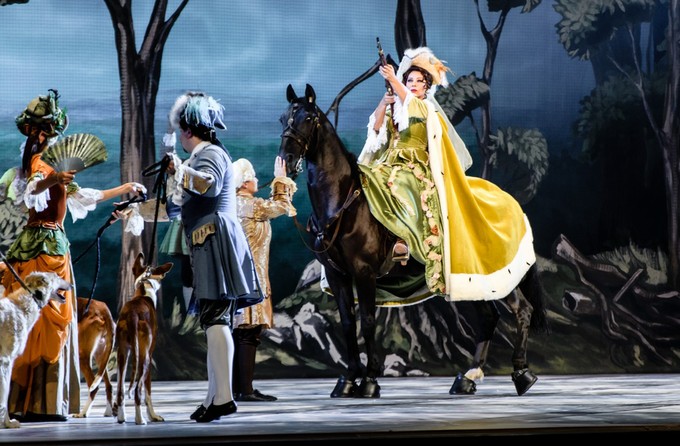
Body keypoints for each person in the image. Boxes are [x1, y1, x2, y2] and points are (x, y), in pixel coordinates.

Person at [2, 89, 146, 422]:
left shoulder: (54, 166)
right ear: (35, 133)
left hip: (55, 245)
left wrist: (125, 189)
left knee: (57, 320)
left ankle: (47, 401)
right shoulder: (36, 165)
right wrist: (52, 178)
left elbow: (85, 197)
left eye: (50, 131)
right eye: (43, 131)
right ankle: (28, 401)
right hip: (38, 249)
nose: (47, 136)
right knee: (32, 321)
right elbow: (30, 191)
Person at [358, 47, 535, 301]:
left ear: (426, 86)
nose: (414, 84)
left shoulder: (424, 109)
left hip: (414, 166)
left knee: (400, 184)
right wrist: (384, 102)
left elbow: (411, 104)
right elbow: (376, 132)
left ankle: (402, 240)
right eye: (410, 80)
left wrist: (394, 80)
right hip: (390, 162)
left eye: (419, 81)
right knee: (366, 181)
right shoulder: (396, 109)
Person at [164, 91, 263, 423]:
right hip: (207, 240)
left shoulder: (210, 155)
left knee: (217, 317)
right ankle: (214, 397)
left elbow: (208, 185)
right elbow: (178, 206)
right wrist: (135, 210)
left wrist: (178, 169)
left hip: (214, 238)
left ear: (188, 130)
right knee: (213, 320)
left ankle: (223, 398)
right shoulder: (199, 158)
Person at [232, 156, 297, 402]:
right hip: (251, 279)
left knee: (238, 335)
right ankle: (245, 390)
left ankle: (238, 388)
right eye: (254, 177)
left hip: (236, 279)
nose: (257, 180)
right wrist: (280, 179)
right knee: (248, 333)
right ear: (244, 182)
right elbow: (281, 206)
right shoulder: (251, 205)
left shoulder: (231, 205)